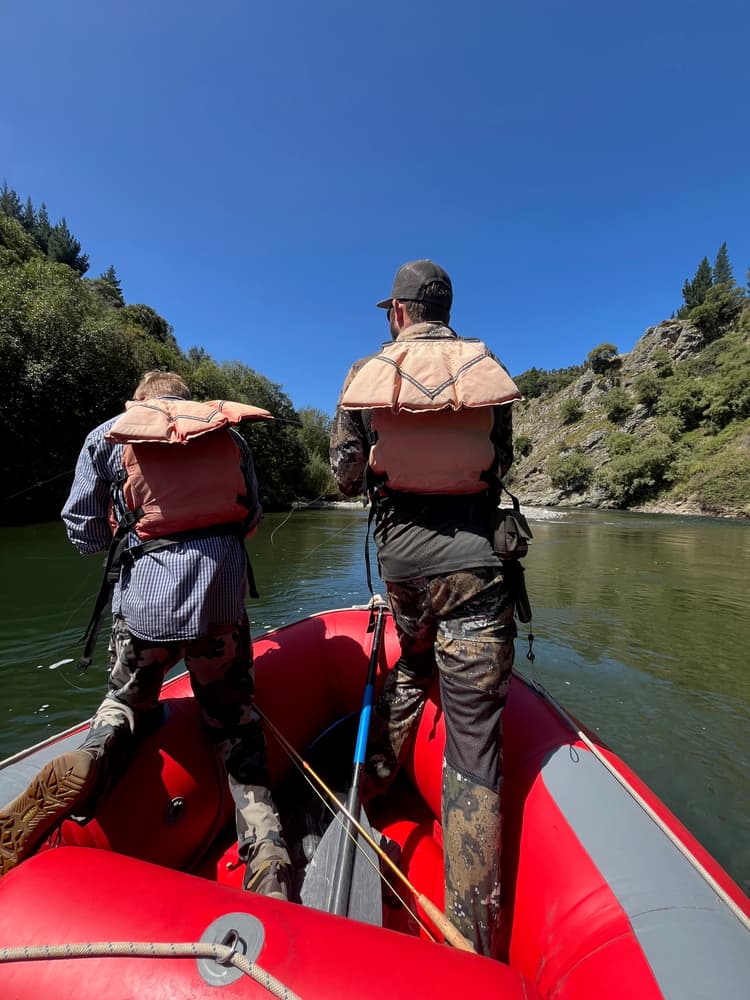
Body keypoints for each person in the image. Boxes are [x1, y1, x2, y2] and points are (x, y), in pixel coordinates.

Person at [0, 371, 292, 898]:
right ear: (187, 401)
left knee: (126, 700)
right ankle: (267, 850)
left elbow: (83, 533)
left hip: (146, 608)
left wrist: (130, 528)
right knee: (234, 723)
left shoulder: (109, 435)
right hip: (219, 604)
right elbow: (250, 516)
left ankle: (95, 752)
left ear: (141, 401)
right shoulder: (226, 432)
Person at [329, 260, 522, 956]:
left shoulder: (366, 372)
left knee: (411, 662)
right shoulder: (485, 367)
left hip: (405, 568)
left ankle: (373, 776)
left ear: (401, 312)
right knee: (475, 741)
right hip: (476, 564)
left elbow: (348, 474)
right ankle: (472, 944)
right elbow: (498, 461)